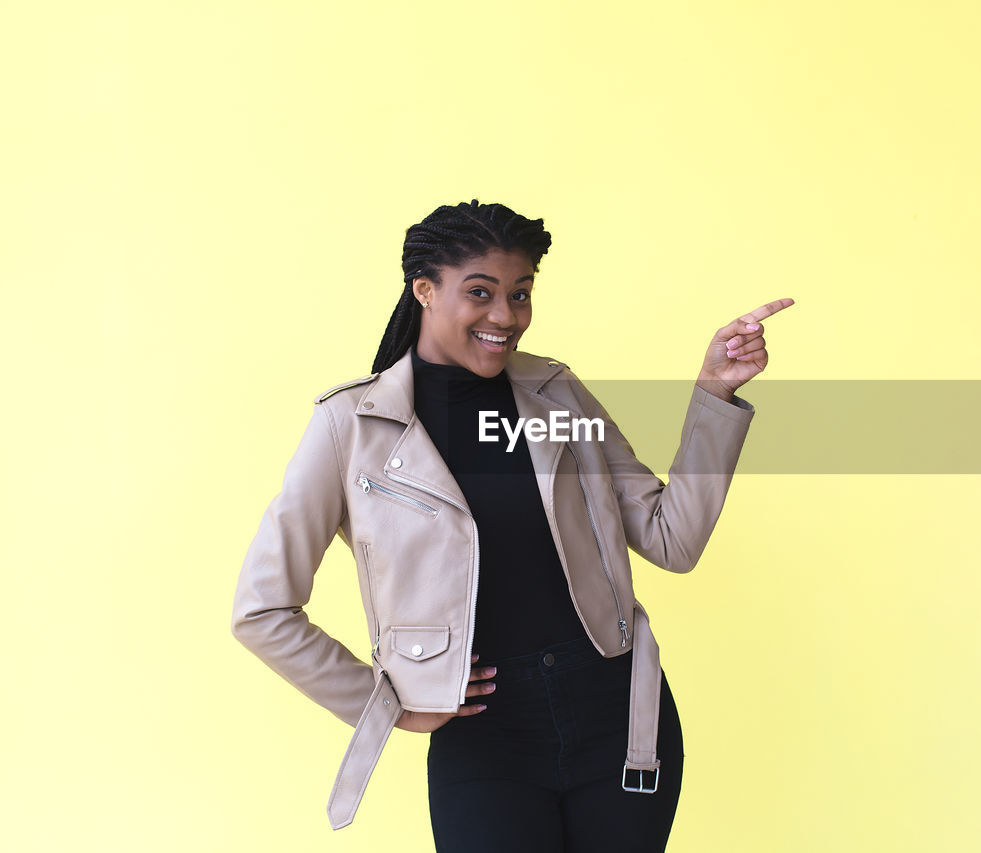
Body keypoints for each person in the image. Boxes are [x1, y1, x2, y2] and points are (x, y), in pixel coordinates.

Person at [231, 199, 793, 852]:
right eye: (481, 292)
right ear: (424, 290)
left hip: (619, 718)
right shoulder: (349, 429)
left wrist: (713, 395)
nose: (506, 316)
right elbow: (262, 608)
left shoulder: (555, 397)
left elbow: (671, 537)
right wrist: (385, 703)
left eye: (520, 294)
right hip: (485, 740)